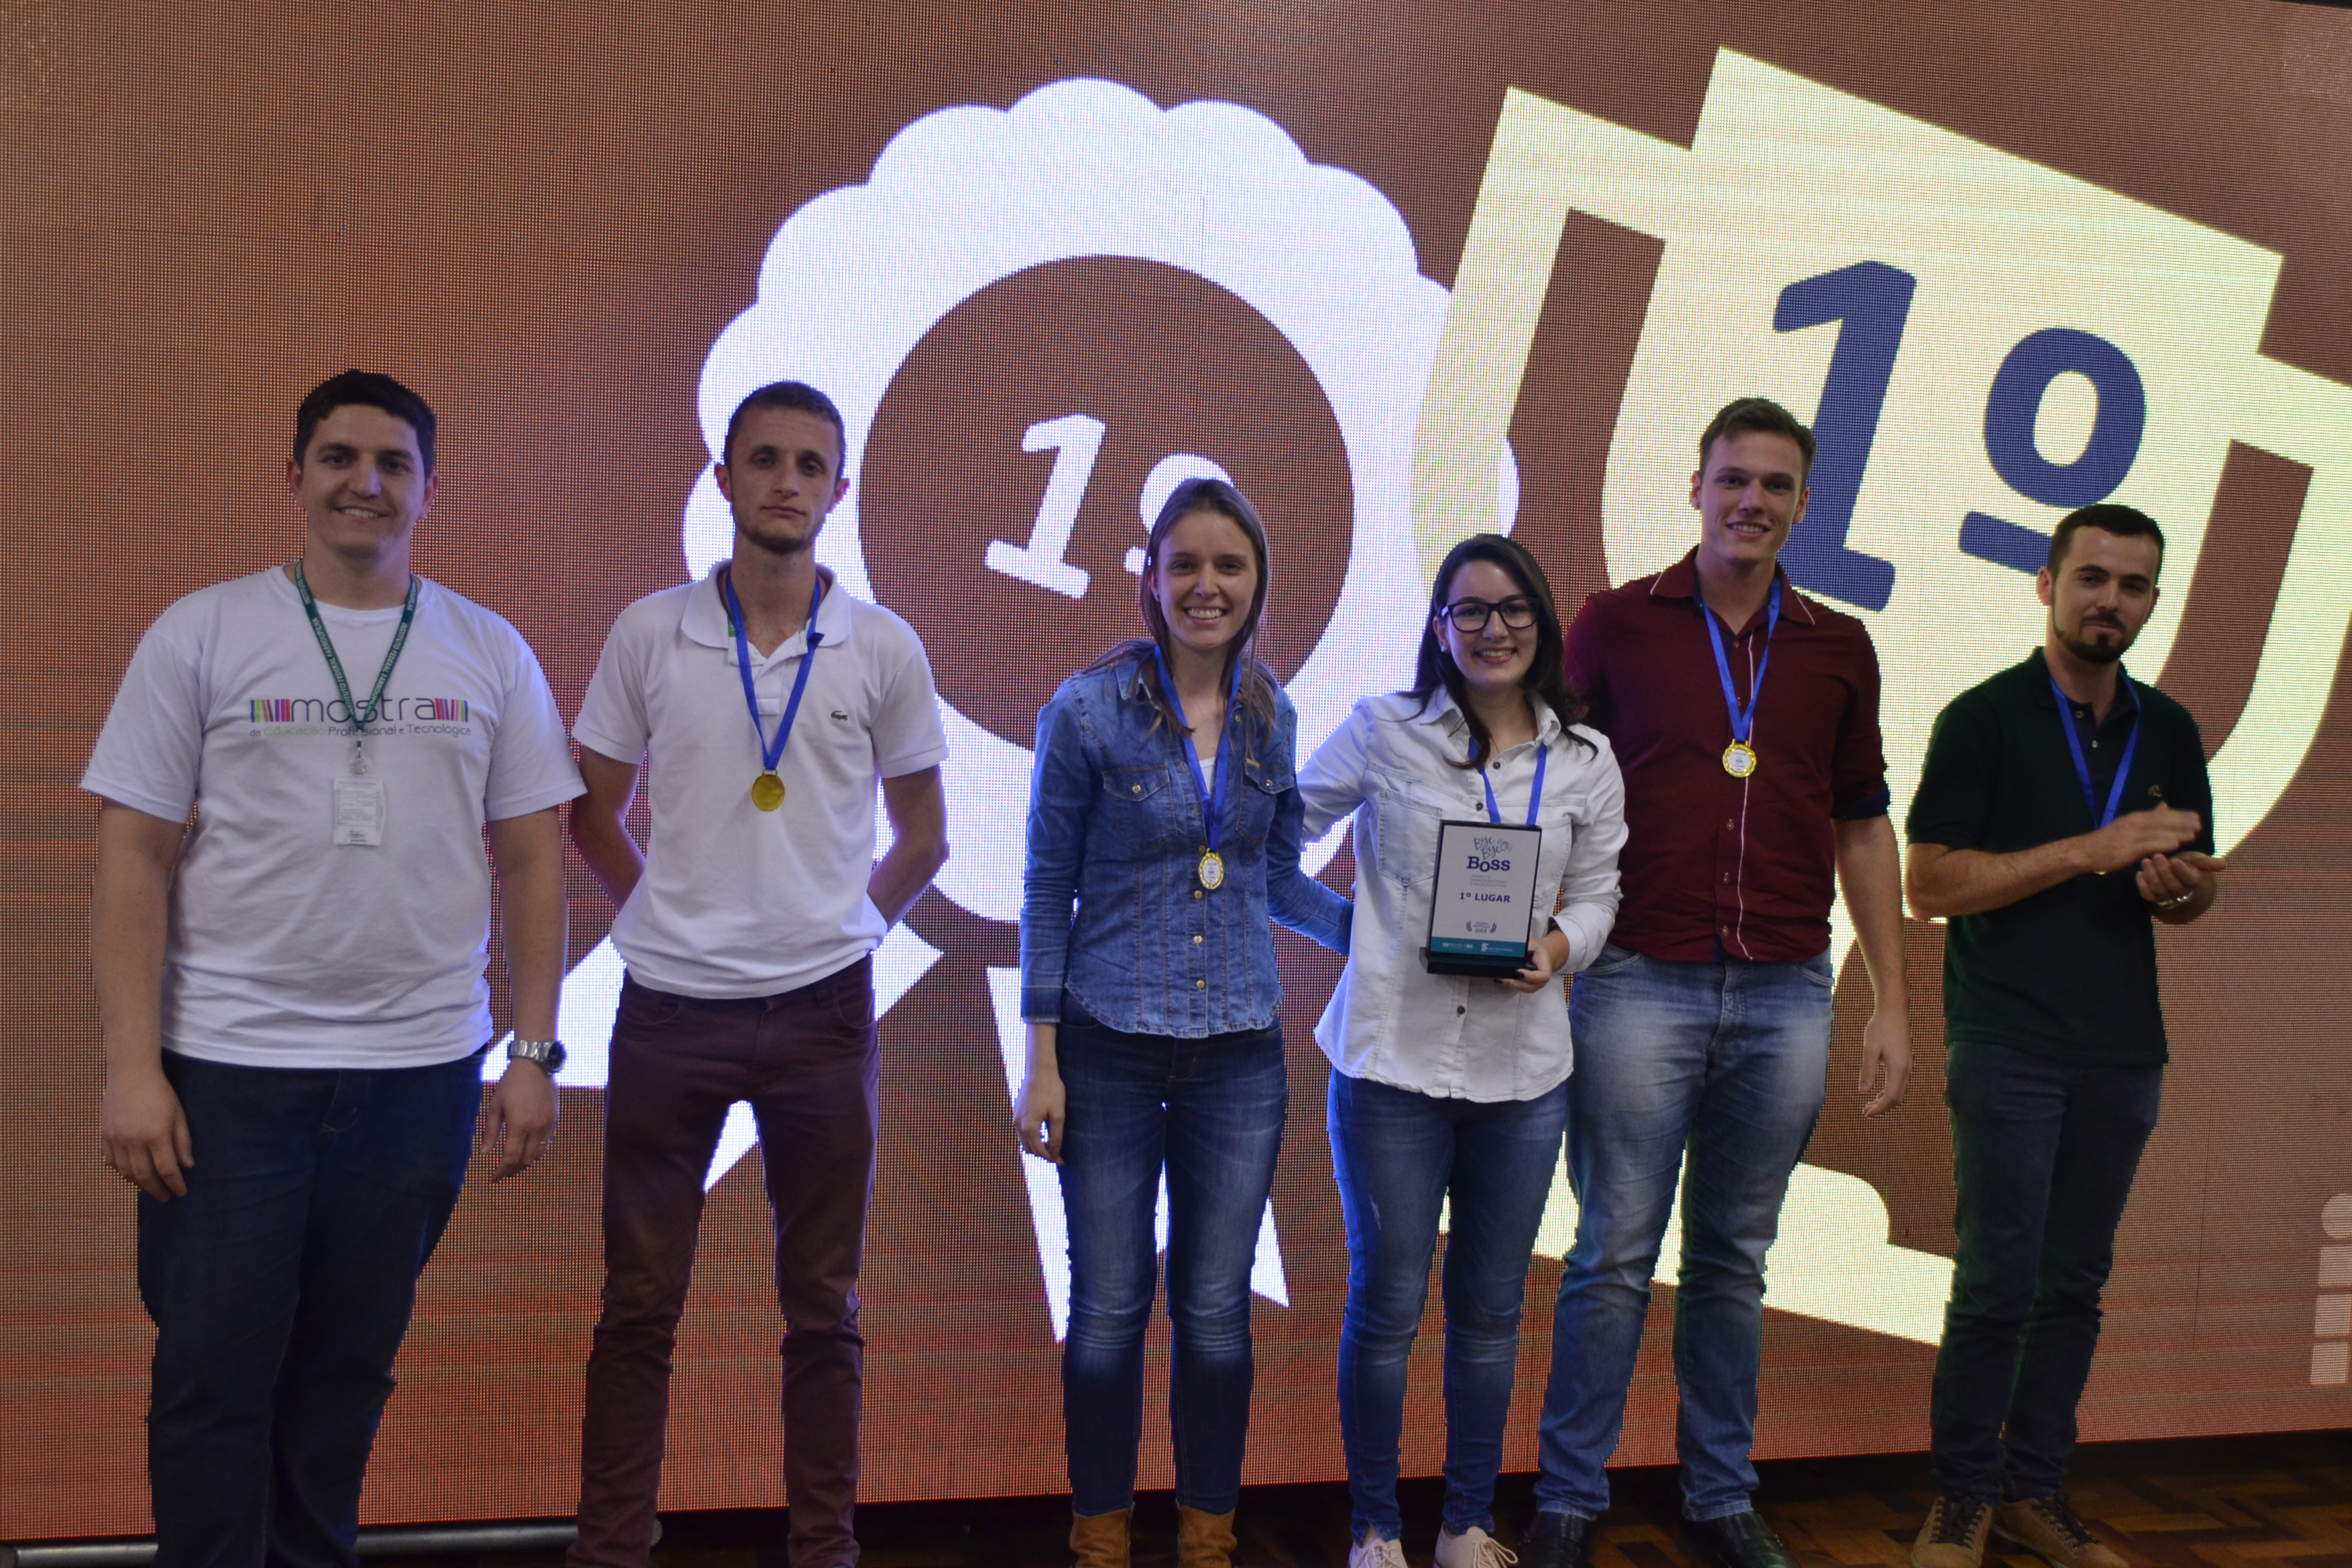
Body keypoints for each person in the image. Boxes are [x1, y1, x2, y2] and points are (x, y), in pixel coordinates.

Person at [88, 370, 581, 1568]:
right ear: (296, 476)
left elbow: (532, 864)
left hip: (417, 1078)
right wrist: (132, 1071)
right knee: (211, 1379)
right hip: (229, 1075)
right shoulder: (204, 632)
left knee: (345, 1379)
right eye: (339, 458)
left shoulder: (490, 649)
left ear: (428, 489)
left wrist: (531, 1053)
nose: (367, 483)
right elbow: (133, 856)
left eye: (394, 464)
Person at [565, 381, 950, 1568]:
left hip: (822, 1018)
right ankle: (609, 1550)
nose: (787, 481)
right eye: (765, 459)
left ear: (840, 491)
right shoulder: (650, 631)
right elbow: (589, 810)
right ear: (723, 477)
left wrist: (852, 932)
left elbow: (925, 839)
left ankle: (823, 1550)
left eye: (810, 465)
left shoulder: (883, 645)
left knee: (823, 1312)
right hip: (669, 1014)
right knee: (638, 1308)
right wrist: (656, 913)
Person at [1527, 396, 1914, 1568]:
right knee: (1612, 1255)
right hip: (1636, 980)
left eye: (1776, 485)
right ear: (1695, 487)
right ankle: (1569, 1500)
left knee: (1735, 1261)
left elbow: (1863, 822)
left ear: (1804, 504)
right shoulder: (1614, 624)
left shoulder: (1840, 647)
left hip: (1788, 992)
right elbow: (1543, 783)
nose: (1752, 501)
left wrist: (1892, 999)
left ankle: (1719, 1495)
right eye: (1733, 479)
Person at [1013, 476, 1352, 1568]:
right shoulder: (1085, 711)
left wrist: (1384, 936)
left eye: (1229, 566)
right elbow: (1045, 889)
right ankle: (1100, 1537)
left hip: (1239, 1056)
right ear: (1151, 580)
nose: (1208, 586)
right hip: (1105, 1045)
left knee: (1213, 1314)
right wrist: (1041, 1060)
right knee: (1109, 1311)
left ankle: (1208, 1538)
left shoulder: (1270, 712)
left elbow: (1274, 876)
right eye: (1187, 565)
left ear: (1257, 584)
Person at [1298, 534, 1627, 1568]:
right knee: (1386, 1308)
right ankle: (1374, 1530)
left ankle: (1466, 1526)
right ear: (1439, 629)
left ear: (1543, 623)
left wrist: (1558, 949)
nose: (1493, 628)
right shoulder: (1383, 730)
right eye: (1469, 610)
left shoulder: (1586, 761)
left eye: (1513, 607)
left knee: (1489, 1318)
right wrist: (1355, 932)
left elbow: (1600, 893)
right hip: (1390, 1067)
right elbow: (1271, 839)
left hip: (1522, 1076)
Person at [1905, 505, 2219, 1568]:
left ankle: (2035, 1493)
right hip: (2007, 1040)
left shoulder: (2168, 728)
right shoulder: (1984, 717)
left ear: (2153, 602)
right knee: (1998, 1283)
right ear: (2047, 584)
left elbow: (2190, 897)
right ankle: (1962, 1498)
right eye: (2092, 578)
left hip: (2125, 1048)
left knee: (2074, 1286)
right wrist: (2092, 848)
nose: (2109, 602)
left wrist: (2177, 889)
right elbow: (1928, 884)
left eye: (2132, 586)